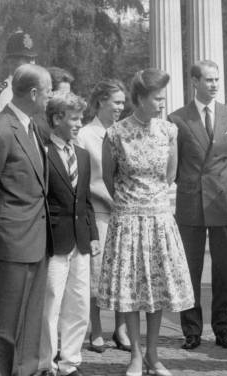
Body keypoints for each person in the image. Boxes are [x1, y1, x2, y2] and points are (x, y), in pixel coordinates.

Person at [97, 69, 194, 376]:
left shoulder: (169, 131)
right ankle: (136, 355)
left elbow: (170, 174)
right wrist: (130, 203)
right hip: (127, 219)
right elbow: (110, 179)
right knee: (130, 289)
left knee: (156, 289)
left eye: (164, 97)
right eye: (157, 97)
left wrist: (153, 203)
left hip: (159, 217)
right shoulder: (116, 134)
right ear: (139, 98)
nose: (162, 103)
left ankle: (154, 353)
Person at [168, 60, 227, 351]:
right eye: (208, 80)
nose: (214, 85)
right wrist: (190, 184)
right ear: (194, 82)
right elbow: (172, 165)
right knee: (190, 269)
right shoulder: (176, 119)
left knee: (225, 270)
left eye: (217, 80)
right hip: (191, 200)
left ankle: (224, 329)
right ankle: (191, 330)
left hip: (223, 200)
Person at [0, 64, 53, 376]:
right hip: (11, 239)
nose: (50, 98)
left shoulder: (33, 126)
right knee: (6, 319)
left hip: (36, 236)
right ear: (33, 94)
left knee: (32, 316)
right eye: (47, 92)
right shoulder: (3, 130)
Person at [38, 92, 98, 376]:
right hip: (54, 241)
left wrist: (93, 235)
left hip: (81, 241)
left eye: (80, 118)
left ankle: (70, 364)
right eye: (74, 118)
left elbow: (85, 200)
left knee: (78, 304)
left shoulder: (82, 155)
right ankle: (45, 368)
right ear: (57, 119)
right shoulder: (42, 151)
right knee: (50, 305)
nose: (79, 123)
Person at [76, 79, 130, 353]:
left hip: (126, 212)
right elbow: (85, 179)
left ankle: (120, 328)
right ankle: (96, 328)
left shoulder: (126, 132)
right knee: (97, 273)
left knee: (122, 272)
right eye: (117, 102)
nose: (121, 107)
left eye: (123, 102)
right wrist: (110, 200)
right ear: (101, 102)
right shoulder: (85, 135)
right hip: (99, 212)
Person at [0, 30, 37, 114]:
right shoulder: (2, 94)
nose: (32, 63)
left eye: (33, 58)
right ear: (11, 62)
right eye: (26, 59)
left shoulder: (38, 91)